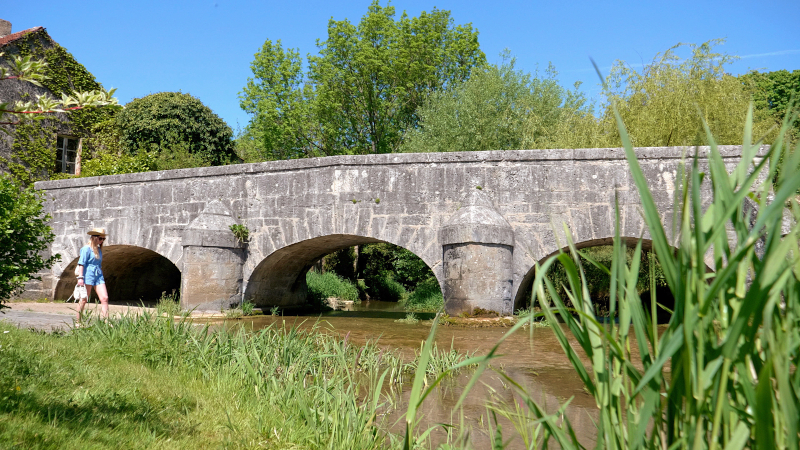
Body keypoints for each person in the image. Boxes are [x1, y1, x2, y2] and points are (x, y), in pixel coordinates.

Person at [76, 228, 109, 323]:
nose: (102, 241)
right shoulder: (86, 249)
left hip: (98, 275)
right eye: (100, 238)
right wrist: (80, 278)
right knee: (83, 299)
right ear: (94, 238)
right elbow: (81, 263)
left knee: (104, 298)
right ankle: (78, 322)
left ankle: (106, 321)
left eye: (103, 239)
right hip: (88, 275)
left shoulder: (99, 250)